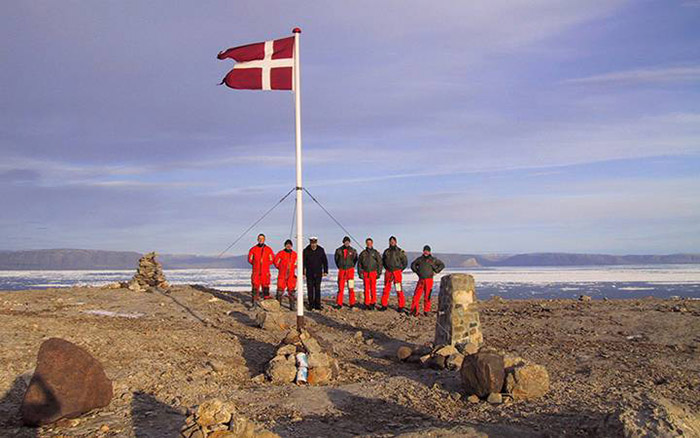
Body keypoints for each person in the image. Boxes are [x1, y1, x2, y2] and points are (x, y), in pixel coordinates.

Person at [409, 245, 445, 316]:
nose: (426, 252)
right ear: (423, 251)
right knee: (416, 295)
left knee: (427, 296)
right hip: (421, 280)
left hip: (429, 280)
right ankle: (414, 311)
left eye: (427, 251)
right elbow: (413, 265)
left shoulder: (433, 259)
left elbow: (442, 265)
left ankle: (426, 311)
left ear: (429, 252)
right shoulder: (420, 259)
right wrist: (417, 272)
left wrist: (436, 271)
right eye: (425, 250)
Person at [379, 236, 408, 312]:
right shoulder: (386, 251)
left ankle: (401, 306)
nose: (392, 242)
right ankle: (384, 305)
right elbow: (383, 261)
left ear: (395, 242)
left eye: (393, 241)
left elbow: (405, 262)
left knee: (398, 289)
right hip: (388, 272)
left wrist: (400, 269)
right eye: (390, 241)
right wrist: (386, 268)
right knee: (386, 288)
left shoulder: (399, 251)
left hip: (396, 272)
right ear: (389, 242)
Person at [247, 233, 275, 305]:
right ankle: (254, 303)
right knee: (255, 287)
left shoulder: (268, 249)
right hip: (256, 272)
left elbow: (271, 260)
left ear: (264, 240)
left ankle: (266, 303)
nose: (260, 240)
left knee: (265, 287)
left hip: (265, 272)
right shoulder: (253, 249)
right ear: (257, 239)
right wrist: (256, 264)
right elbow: (250, 260)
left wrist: (265, 264)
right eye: (259, 238)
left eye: (262, 239)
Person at [303, 236, 328, 310]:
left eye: (314, 243)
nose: (313, 244)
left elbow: (324, 261)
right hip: (309, 273)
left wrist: (325, 271)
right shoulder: (306, 250)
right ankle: (311, 305)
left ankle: (318, 304)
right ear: (310, 243)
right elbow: (303, 262)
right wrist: (302, 272)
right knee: (310, 289)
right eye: (312, 243)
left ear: (316, 242)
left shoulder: (321, 250)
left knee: (317, 289)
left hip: (318, 273)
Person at [357, 237, 382, 310]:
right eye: (367, 243)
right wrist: (360, 273)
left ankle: (373, 302)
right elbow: (359, 264)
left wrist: (379, 272)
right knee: (366, 288)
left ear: (372, 243)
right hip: (365, 272)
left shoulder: (375, 253)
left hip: (373, 272)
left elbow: (380, 263)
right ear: (366, 244)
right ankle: (366, 303)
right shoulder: (363, 253)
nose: (369, 244)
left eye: (370, 243)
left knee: (373, 288)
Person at [333, 236, 358, 309]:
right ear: (343, 242)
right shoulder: (338, 250)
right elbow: (336, 259)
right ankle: (339, 303)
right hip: (342, 270)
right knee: (340, 288)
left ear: (349, 242)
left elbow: (355, 259)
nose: (346, 243)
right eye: (345, 241)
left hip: (350, 271)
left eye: (348, 241)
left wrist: (352, 265)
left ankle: (352, 303)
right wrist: (340, 266)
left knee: (351, 287)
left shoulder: (353, 250)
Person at [273, 239, 297, 310]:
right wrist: (280, 268)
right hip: (282, 274)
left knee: (291, 290)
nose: (288, 246)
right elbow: (276, 262)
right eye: (287, 245)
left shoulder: (295, 254)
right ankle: (277, 306)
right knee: (280, 290)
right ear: (285, 245)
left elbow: (297, 263)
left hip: (291, 275)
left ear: (291, 246)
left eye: (289, 245)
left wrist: (293, 268)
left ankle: (292, 306)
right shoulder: (281, 253)